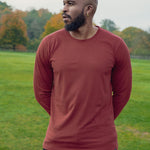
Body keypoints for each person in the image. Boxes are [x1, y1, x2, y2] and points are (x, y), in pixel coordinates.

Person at [33, 0, 132, 150]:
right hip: (57, 143)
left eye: (71, 4)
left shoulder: (116, 45)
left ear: (88, 9)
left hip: (102, 144)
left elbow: (122, 93)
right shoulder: (49, 44)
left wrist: (101, 121)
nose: (64, 9)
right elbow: (41, 92)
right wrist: (62, 118)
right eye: (64, 3)